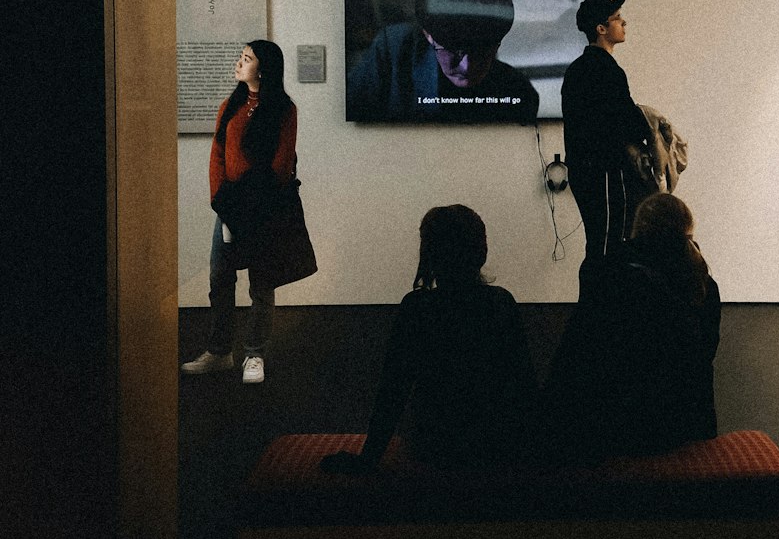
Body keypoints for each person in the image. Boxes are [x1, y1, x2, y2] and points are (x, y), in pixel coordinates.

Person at [320, 205, 538, 472]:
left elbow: (393, 390)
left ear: (429, 255)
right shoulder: (501, 303)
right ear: (481, 252)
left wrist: (368, 459)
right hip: (496, 443)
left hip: (434, 444)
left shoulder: (417, 309)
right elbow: (524, 384)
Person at [543, 192, 721, 463]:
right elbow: (701, 359)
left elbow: (578, 360)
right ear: (688, 230)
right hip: (687, 429)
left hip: (612, 434)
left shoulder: (609, 275)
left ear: (637, 229)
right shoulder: (704, 286)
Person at [181, 40, 300, 386]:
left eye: (246, 59)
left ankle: (254, 354)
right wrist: (219, 198)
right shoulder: (229, 105)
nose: (239, 63)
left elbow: (281, 164)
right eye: (241, 57)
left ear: (262, 69)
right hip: (230, 208)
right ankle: (220, 352)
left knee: (261, 285)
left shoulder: (283, 109)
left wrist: (249, 197)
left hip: (263, 209)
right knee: (220, 279)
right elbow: (217, 155)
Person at [346, 0, 540, 124]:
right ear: (428, 35)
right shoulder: (394, 49)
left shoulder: (520, 92)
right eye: (454, 49)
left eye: (482, 50)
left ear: (497, 44)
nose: (467, 66)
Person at [560, 0, 650, 292]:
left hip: (585, 171)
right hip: (606, 171)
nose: (624, 22)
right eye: (617, 18)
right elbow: (624, 120)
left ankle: (593, 310)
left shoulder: (577, 69)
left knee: (597, 240)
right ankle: (603, 313)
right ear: (601, 28)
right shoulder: (606, 70)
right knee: (610, 244)